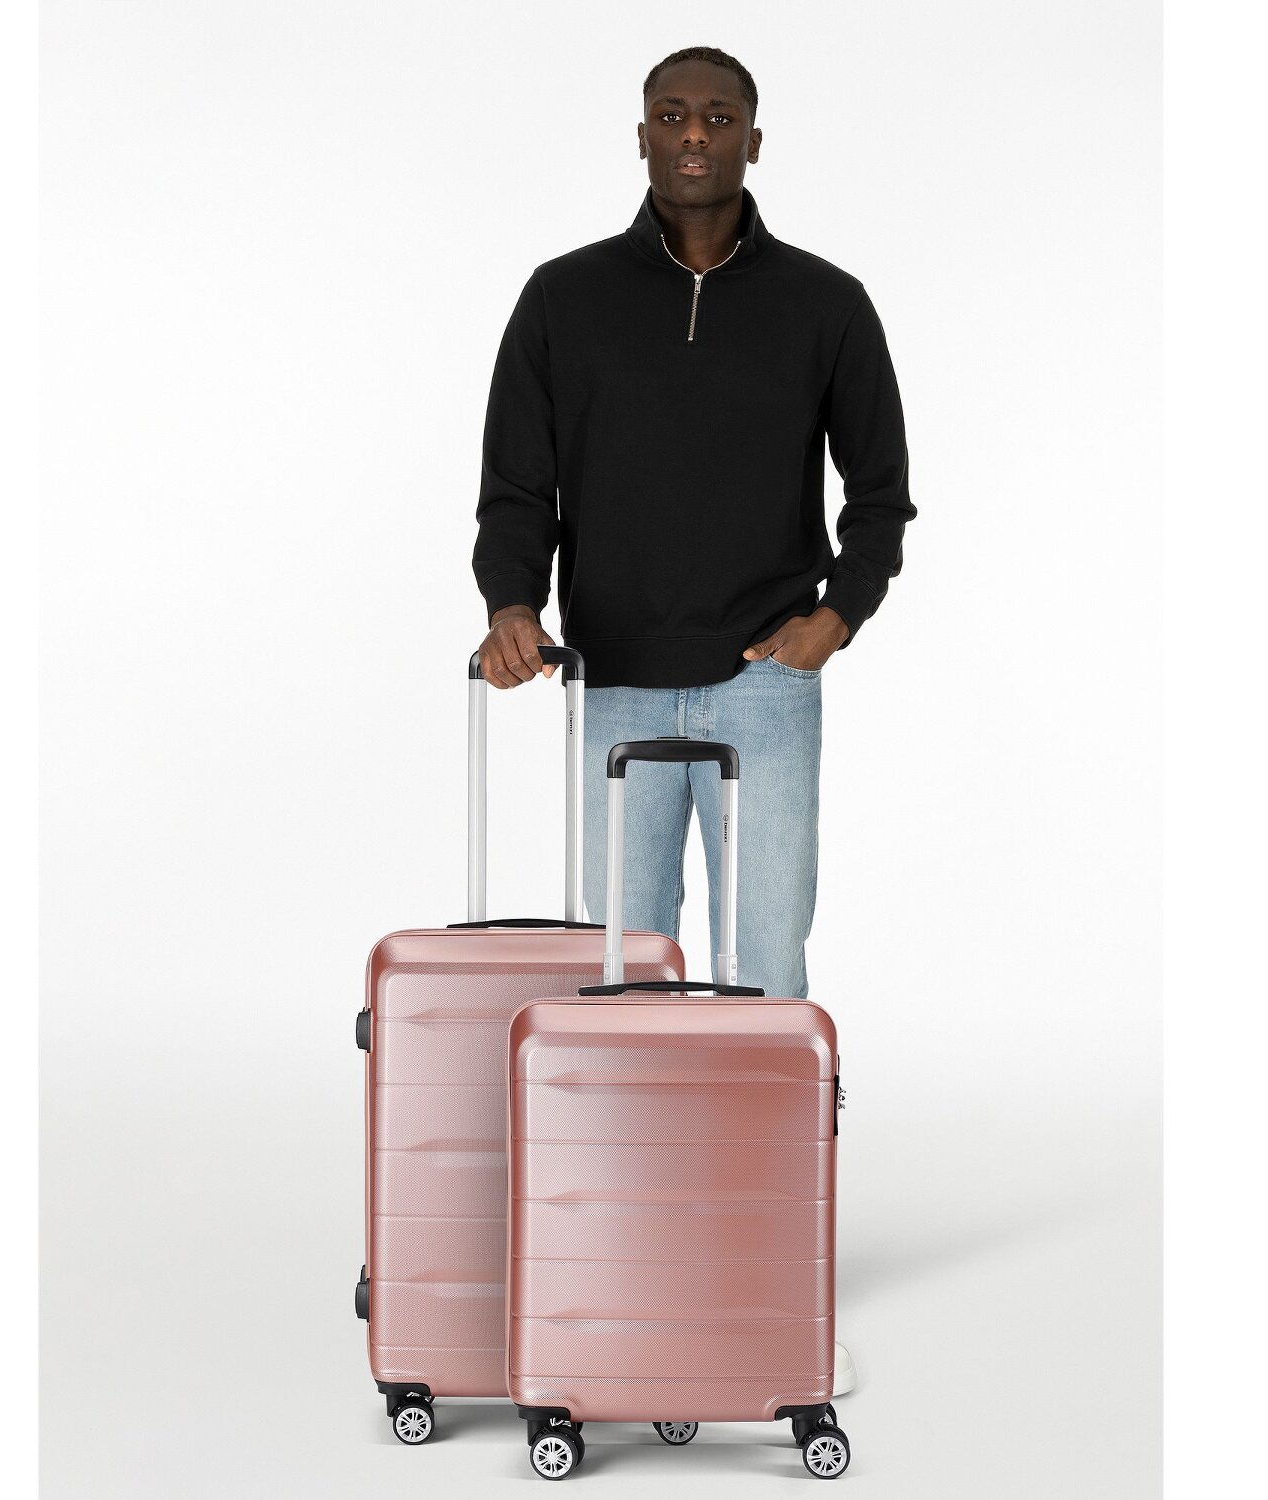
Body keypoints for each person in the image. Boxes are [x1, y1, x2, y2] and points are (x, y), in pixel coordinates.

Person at [472, 53, 911, 1392]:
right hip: (611, 678)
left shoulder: (825, 303)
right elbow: (517, 486)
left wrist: (839, 614)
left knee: (766, 974)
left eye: (720, 117)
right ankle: (632, 1250)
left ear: (755, 142)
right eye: (673, 116)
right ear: (642, 138)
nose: (695, 136)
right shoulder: (565, 298)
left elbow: (881, 493)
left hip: (763, 681)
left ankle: (769, 1256)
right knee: (624, 977)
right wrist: (511, 603)